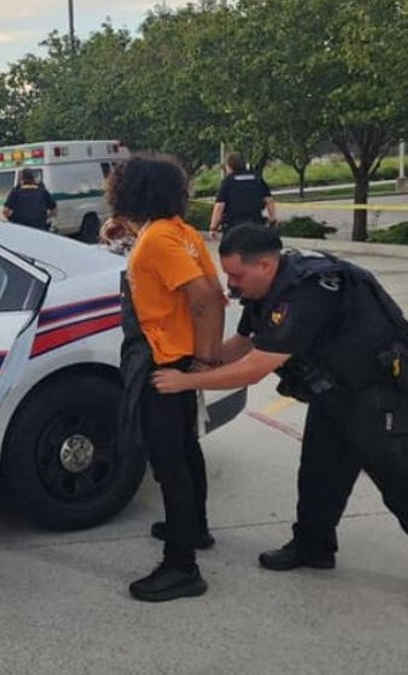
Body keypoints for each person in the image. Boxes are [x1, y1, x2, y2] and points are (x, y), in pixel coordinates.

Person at [153, 225, 408, 615]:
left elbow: (256, 367)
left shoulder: (305, 291)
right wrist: (199, 360)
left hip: (380, 390)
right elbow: (242, 345)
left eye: (237, 275)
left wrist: (186, 381)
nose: (232, 283)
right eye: (228, 274)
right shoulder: (264, 290)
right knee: (319, 471)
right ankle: (313, 547)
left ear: (265, 263)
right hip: (337, 389)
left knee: (404, 483)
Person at [106, 156, 227, 602]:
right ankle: (195, 529)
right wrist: (125, 230)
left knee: (168, 463)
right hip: (179, 357)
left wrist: (205, 363)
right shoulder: (180, 231)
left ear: (128, 192)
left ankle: (182, 567)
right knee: (186, 450)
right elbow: (205, 290)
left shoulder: (157, 240)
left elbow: (207, 299)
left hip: (164, 362)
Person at [209, 153, 278, 238]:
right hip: (255, 224)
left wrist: (213, 227)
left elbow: (219, 206)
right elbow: (269, 200)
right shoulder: (257, 178)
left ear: (229, 166)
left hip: (233, 226)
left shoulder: (228, 181)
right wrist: (273, 219)